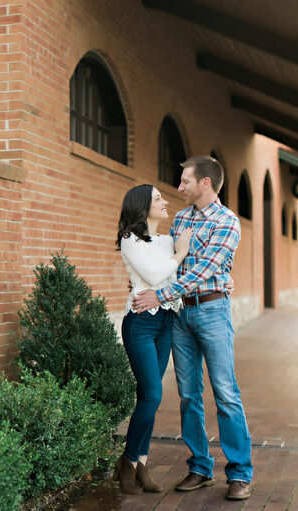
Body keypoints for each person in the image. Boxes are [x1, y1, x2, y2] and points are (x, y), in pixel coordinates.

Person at [132, 156, 253, 501]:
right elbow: (173, 264)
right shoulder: (182, 218)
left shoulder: (228, 221)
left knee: (225, 393)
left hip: (213, 311)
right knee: (188, 395)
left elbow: (203, 271)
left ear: (205, 183)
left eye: (185, 181)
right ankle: (200, 467)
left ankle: (240, 473)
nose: (179, 187)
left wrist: (159, 295)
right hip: (181, 316)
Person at [112, 184, 193, 494]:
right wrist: (180, 254)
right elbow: (157, 275)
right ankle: (127, 461)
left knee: (149, 397)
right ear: (142, 205)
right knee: (154, 395)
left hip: (166, 322)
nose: (165, 201)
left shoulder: (167, 240)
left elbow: (178, 278)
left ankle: (141, 465)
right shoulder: (130, 239)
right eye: (158, 198)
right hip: (140, 325)